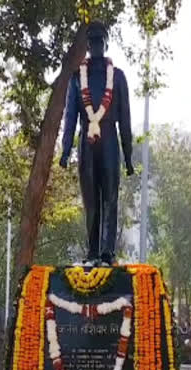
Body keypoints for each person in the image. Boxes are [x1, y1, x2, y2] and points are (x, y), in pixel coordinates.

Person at [59, 21, 134, 266]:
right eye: (92, 43)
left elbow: (125, 118)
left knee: (110, 198)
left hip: (110, 140)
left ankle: (107, 253)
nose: (96, 46)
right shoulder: (76, 79)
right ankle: (92, 252)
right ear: (88, 46)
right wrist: (66, 148)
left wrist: (129, 155)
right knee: (91, 201)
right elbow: (69, 117)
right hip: (87, 144)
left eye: (100, 42)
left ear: (106, 43)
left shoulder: (118, 77)